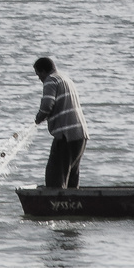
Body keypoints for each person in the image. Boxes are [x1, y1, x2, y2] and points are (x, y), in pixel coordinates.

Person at [32, 56, 87, 189]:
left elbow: (47, 106)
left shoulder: (51, 80)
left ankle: (55, 206)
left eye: (38, 75)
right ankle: (71, 205)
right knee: (71, 176)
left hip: (66, 135)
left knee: (54, 176)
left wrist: (39, 118)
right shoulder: (66, 79)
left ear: (44, 71)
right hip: (80, 134)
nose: (39, 78)